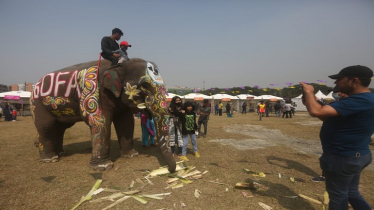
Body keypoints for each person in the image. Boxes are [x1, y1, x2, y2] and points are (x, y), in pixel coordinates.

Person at [300, 65, 374, 210]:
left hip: (343, 157)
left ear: (355, 80)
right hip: (356, 154)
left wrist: (309, 92)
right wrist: (311, 99)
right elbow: (328, 117)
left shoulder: (359, 100)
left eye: (339, 79)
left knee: (338, 196)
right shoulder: (366, 98)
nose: (335, 83)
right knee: (351, 192)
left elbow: (316, 111)